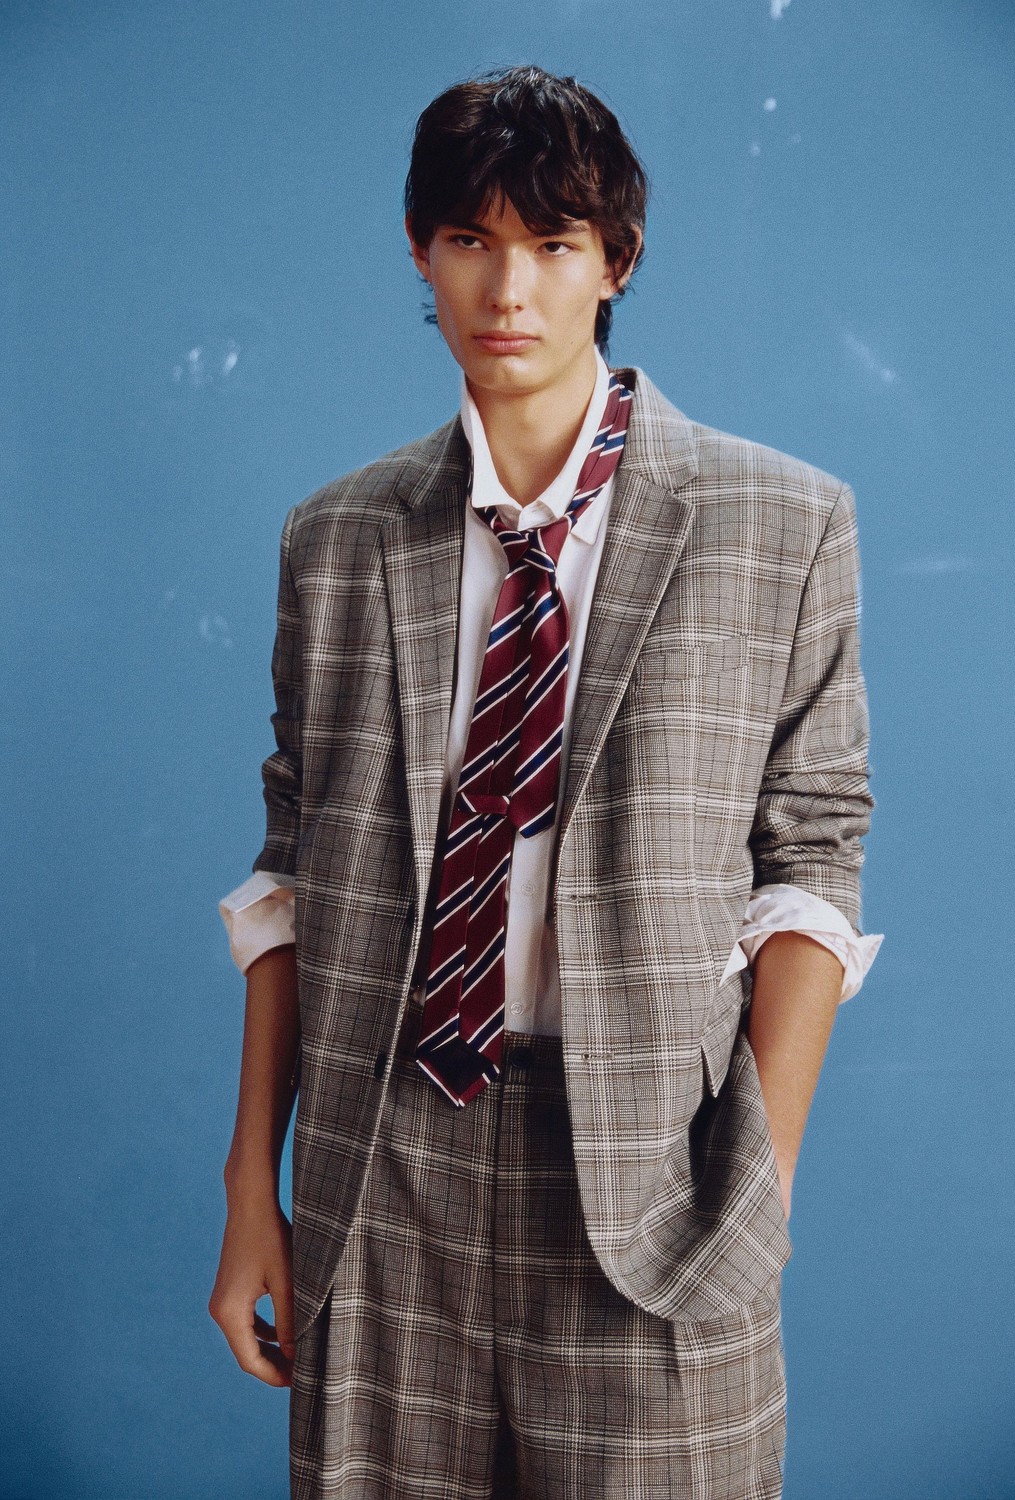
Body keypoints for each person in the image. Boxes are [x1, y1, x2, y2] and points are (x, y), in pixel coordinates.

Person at [209, 64, 882, 1500]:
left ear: (615, 262)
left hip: (650, 1171)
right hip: (383, 1170)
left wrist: (755, 1183)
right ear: (420, 251)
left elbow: (813, 857)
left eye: (553, 245)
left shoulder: (779, 522)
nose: (506, 289)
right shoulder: (335, 538)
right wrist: (249, 1186)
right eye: (470, 240)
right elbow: (292, 874)